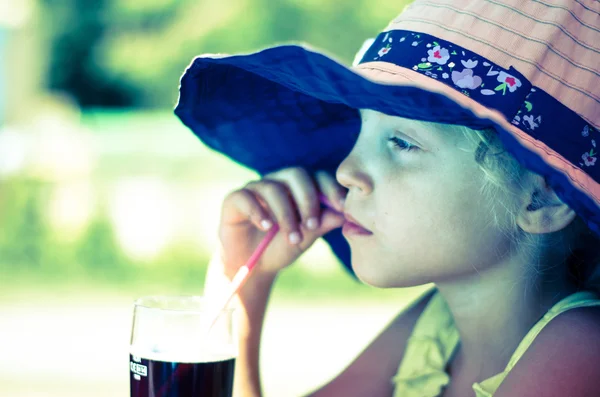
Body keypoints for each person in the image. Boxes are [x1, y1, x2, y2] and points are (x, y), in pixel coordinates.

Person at [174, 0, 600, 396]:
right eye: (360, 131)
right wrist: (242, 276)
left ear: (542, 199)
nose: (344, 172)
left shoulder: (582, 347)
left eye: (401, 142)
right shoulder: (435, 328)